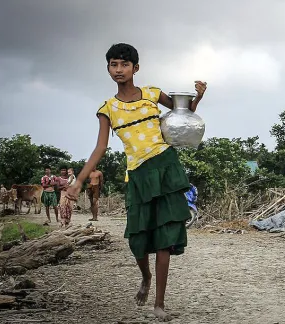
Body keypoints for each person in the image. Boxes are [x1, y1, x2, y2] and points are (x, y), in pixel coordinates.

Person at [66, 43, 207, 322]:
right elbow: (100, 148)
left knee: (165, 236)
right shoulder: (108, 109)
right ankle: (146, 276)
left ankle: (160, 304)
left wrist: (199, 97)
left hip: (166, 167)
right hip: (139, 174)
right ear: (108, 68)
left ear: (136, 68)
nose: (119, 70)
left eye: (124, 65)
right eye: (113, 65)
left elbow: (183, 111)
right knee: (139, 240)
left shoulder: (152, 94)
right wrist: (79, 181)